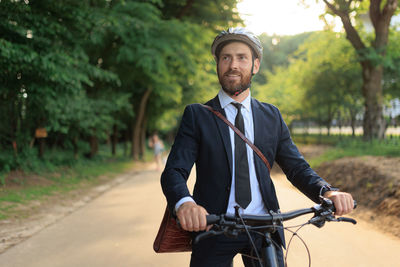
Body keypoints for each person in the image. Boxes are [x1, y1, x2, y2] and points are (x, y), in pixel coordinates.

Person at [160, 28, 354, 267]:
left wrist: (327, 191)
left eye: (242, 57)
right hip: (214, 225)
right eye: (226, 58)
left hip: (264, 227)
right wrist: (185, 203)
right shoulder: (198, 115)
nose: (233, 65)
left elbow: (296, 167)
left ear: (255, 66)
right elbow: (174, 172)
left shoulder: (271, 115)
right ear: (218, 65)